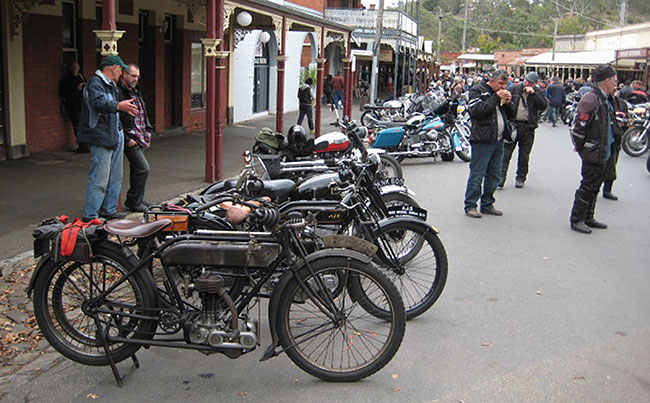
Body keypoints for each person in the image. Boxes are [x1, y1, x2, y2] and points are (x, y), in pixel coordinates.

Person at [569, 65, 627, 234]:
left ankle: (588, 217)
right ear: (607, 81)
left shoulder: (605, 98)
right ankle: (577, 219)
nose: (617, 84)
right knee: (587, 186)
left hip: (604, 151)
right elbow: (578, 128)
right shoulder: (591, 99)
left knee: (595, 186)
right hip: (594, 151)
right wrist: (583, 148)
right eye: (615, 81)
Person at [78, 55, 137, 221]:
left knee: (115, 176)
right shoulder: (95, 83)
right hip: (101, 135)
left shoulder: (110, 84)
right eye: (120, 69)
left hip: (113, 133)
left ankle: (109, 209)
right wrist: (119, 106)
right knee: (99, 177)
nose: (121, 73)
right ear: (113, 68)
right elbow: (98, 104)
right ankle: (90, 215)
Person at [464, 69, 515, 218]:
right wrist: (495, 97)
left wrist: (508, 102)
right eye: (500, 83)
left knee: (494, 174)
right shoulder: (477, 90)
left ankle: (487, 204)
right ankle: (471, 205)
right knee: (477, 174)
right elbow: (477, 111)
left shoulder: (502, 93)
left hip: (498, 139)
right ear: (491, 81)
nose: (503, 87)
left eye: (505, 84)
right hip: (482, 140)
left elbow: (511, 116)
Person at [500, 71, 548, 188]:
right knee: (506, 154)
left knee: (524, 154)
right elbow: (505, 103)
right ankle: (501, 177)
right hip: (514, 125)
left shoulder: (538, 91)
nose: (527, 83)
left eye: (530, 82)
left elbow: (543, 105)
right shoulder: (514, 88)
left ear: (535, 83)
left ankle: (520, 177)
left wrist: (534, 94)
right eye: (526, 80)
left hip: (528, 127)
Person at [117, 64, 154, 212]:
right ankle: (134, 200)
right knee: (143, 168)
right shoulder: (119, 92)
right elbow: (115, 118)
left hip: (140, 135)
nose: (136, 79)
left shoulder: (135, 90)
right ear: (124, 74)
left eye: (137, 76)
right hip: (130, 136)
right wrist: (127, 139)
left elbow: (142, 111)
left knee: (137, 169)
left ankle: (136, 199)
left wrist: (148, 129)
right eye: (133, 76)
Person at [59, 61, 88, 152]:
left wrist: (82, 87)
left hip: (81, 104)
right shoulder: (66, 80)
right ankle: (81, 144)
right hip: (72, 105)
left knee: (83, 124)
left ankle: (85, 144)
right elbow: (63, 92)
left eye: (76, 67)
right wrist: (76, 89)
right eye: (73, 68)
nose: (75, 69)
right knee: (77, 125)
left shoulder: (80, 77)